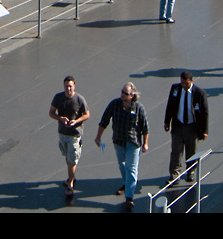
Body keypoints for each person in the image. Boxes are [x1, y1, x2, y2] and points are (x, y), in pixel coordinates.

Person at [95, 82, 149, 211]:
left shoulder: (138, 108)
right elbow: (104, 120)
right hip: (119, 141)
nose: (122, 95)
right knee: (122, 164)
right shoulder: (115, 104)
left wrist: (145, 143)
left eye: (125, 93)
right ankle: (126, 184)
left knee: (131, 168)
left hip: (133, 142)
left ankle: (129, 197)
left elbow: (145, 128)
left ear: (132, 95)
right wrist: (98, 137)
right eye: (122, 92)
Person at [162, 71, 208, 183]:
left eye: (186, 83)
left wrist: (204, 131)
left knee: (191, 151)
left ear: (191, 81)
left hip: (192, 127)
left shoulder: (199, 93)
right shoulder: (175, 89)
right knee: (176, 151)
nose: (184, 85)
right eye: (182, 83)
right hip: (178, 125)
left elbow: (205, 113)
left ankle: (190, 172)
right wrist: (167, 121)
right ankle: (174, 175)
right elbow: (170, 105)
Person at [49, 75, 89, 201]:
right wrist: (60, 118)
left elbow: (87, 115)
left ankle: (70, 184)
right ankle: (72, 176)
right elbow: (51, 112)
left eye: (71, 86)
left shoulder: (79, 99)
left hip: (74, 134)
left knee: (71, 160)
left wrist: (76, 121)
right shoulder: (58, 97)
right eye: (66, 86)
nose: (68, 89)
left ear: (74, 86)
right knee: (67, 157)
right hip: (62, 133)